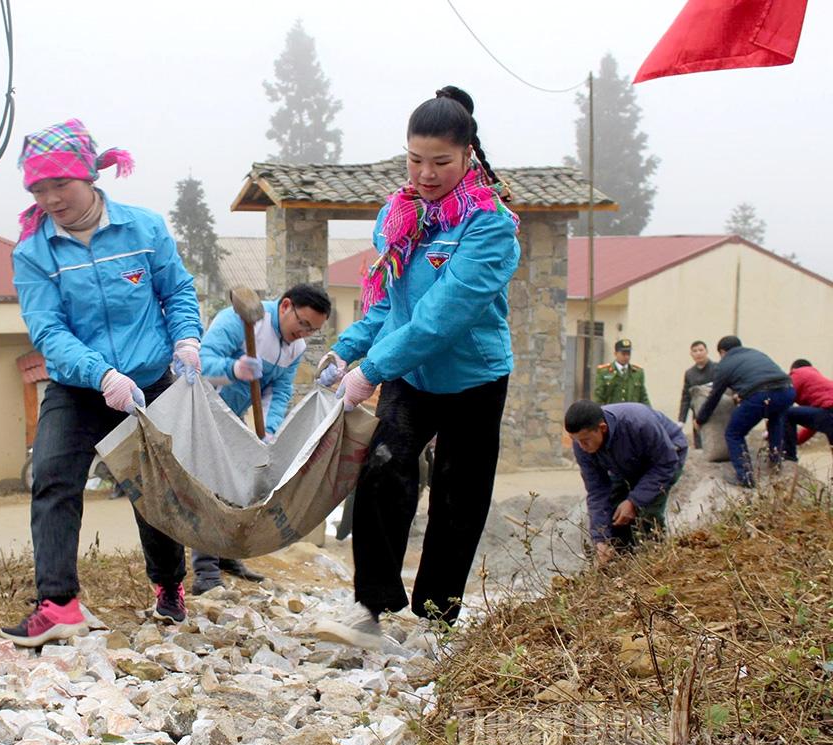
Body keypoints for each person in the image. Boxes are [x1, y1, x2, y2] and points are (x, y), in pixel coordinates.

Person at [312, 86, 521, 646]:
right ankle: (373, 607)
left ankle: (436, 619)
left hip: (473, 378)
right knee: (381, 468)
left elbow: (439, 319)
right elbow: (387, 304)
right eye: (414, 159)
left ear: (468, 155)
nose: (425, 174)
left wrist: (370, 372)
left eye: (440, 162)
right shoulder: (397, 214)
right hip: (410, 372)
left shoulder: (491, 227)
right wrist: (348, 349)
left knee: (459, 492)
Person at [2, 119, 203, 646]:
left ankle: (168, 585)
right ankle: (59, 603)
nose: (49, 198)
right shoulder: (33, 253)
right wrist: (102, 373)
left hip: (149, 382)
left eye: (59, 185)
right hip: (78, 388)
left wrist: (186, 340)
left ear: (89, 176)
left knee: (152, 492)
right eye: (38, 189)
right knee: (52, 478)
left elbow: (177, 290)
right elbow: (48, 330)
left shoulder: (144, 228)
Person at [192, 282, 332, 594]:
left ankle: (228, 556)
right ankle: (205, 572)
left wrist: (269, 430)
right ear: (285, 306)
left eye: (313, 330)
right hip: (203, 408)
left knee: (240, 487)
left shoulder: (294, 347)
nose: (305, 333)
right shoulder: (239, 322)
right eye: (303, 324)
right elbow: (200, 362)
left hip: (234, 417)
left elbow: (279, 390)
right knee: (210, 488)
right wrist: (233, 368)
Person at [565, 400, 688, 568]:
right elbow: (597, 490)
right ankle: (620, 564)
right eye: (576, 440)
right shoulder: (582, 443)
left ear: (602, 428)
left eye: (585, 441)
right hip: (624, 461)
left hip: (666, 454)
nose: (581, 446)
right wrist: (600, 538)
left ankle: (655, 560)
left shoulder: (639, 423)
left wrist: (634, 501)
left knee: (647, 513)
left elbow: (665, 464)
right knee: (616, 515)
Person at [694, 335, 794, 488]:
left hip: (761, 395)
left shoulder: (724, 364)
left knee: (734, 433)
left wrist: (700, 419)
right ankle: (776, 462)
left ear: (722, 352)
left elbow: (714, 396)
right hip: (787, 391)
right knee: (775, 419)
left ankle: (745, 477)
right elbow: (758, 377)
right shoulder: (756, 353)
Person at [783, 359, 833, 459]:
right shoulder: (820, 383)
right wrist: (795, 440)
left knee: (785, 413)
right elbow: (813, 425)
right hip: (828, 416)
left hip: (829, 412)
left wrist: (772, 431)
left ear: (793, 369)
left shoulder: (797, 373)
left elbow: (782, 403)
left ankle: (789, 458)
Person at [678, 340, 716, 448]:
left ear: (706, 351)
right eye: (695, 351)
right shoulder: (689, 373)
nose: (698, 353)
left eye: (701, 350)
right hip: (698, 413)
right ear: (691, 354)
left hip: (715, 412)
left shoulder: (717, 368)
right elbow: (686, 396)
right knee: (700, 447)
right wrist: (681, 420)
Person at [594, 339, 650, 405]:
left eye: (628, 354)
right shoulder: (604, 372)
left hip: (631, 413)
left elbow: (643, 397)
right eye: (623, 354)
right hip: (612, 413)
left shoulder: (637, 373)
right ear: (615, 353)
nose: (626, 357)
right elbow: (599, 397)